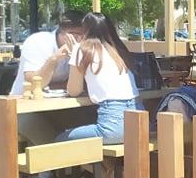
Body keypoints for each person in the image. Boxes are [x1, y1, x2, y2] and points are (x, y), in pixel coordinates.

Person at [57, 13, 139, 144]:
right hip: (139, 126)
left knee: (59, 140)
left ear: (85, 29)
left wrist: (73, 55)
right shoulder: (118, 49)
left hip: (113, 128)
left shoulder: (81, 49)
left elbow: (73, 91)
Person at [9, 19, 85, 145]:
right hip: (24, 108)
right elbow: (33, 83)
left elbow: (80, 84)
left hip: (60, 107)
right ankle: (60, 156)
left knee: (87, 123)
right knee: (51, 142)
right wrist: (54, 59)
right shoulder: (38, 42)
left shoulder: (81, 49)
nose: (81, 40)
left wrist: (50, 84)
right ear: (65, 34)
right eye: (78, 35)